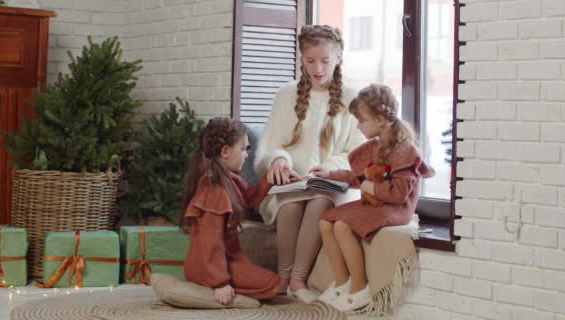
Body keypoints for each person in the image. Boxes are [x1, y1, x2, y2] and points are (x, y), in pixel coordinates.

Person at [254, 25, 365, 302]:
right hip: (291, 182)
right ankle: (282, 278)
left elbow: (359, 152)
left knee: (319, 201)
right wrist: (278, 159)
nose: (317, 68)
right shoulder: (286, 95)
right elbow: (269, 145)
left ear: (339, 57)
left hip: (333, 182)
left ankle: (297, 280)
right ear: (301, 58)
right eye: (310, 60)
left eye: (325, 61)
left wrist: (330, 168)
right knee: (290, 205)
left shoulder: (352, 97)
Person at [310, 84, 435, 312]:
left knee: (342, 226)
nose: (358, 126)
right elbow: (360, 177)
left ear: (380, 119)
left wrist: (370, 186)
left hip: (397, 208)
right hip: (377, 202)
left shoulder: (404, 150)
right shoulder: (374, 147)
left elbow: (398, 194)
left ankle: (360, 288)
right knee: (325, 220)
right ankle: (342, 283)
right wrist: (330, 174)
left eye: (361, 120)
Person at [180, 118, 293, 305]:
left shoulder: (228, 180)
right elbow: (210, 243)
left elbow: (249, 197)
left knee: (272, 283)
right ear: (225, 151)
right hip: (210, 264)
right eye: (243, 149)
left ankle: (212, 281)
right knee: (272, 285)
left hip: (229, 258)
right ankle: (207, 282)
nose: (246, 155)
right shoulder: (214, 190)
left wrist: (274, 177)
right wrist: (220, 283)